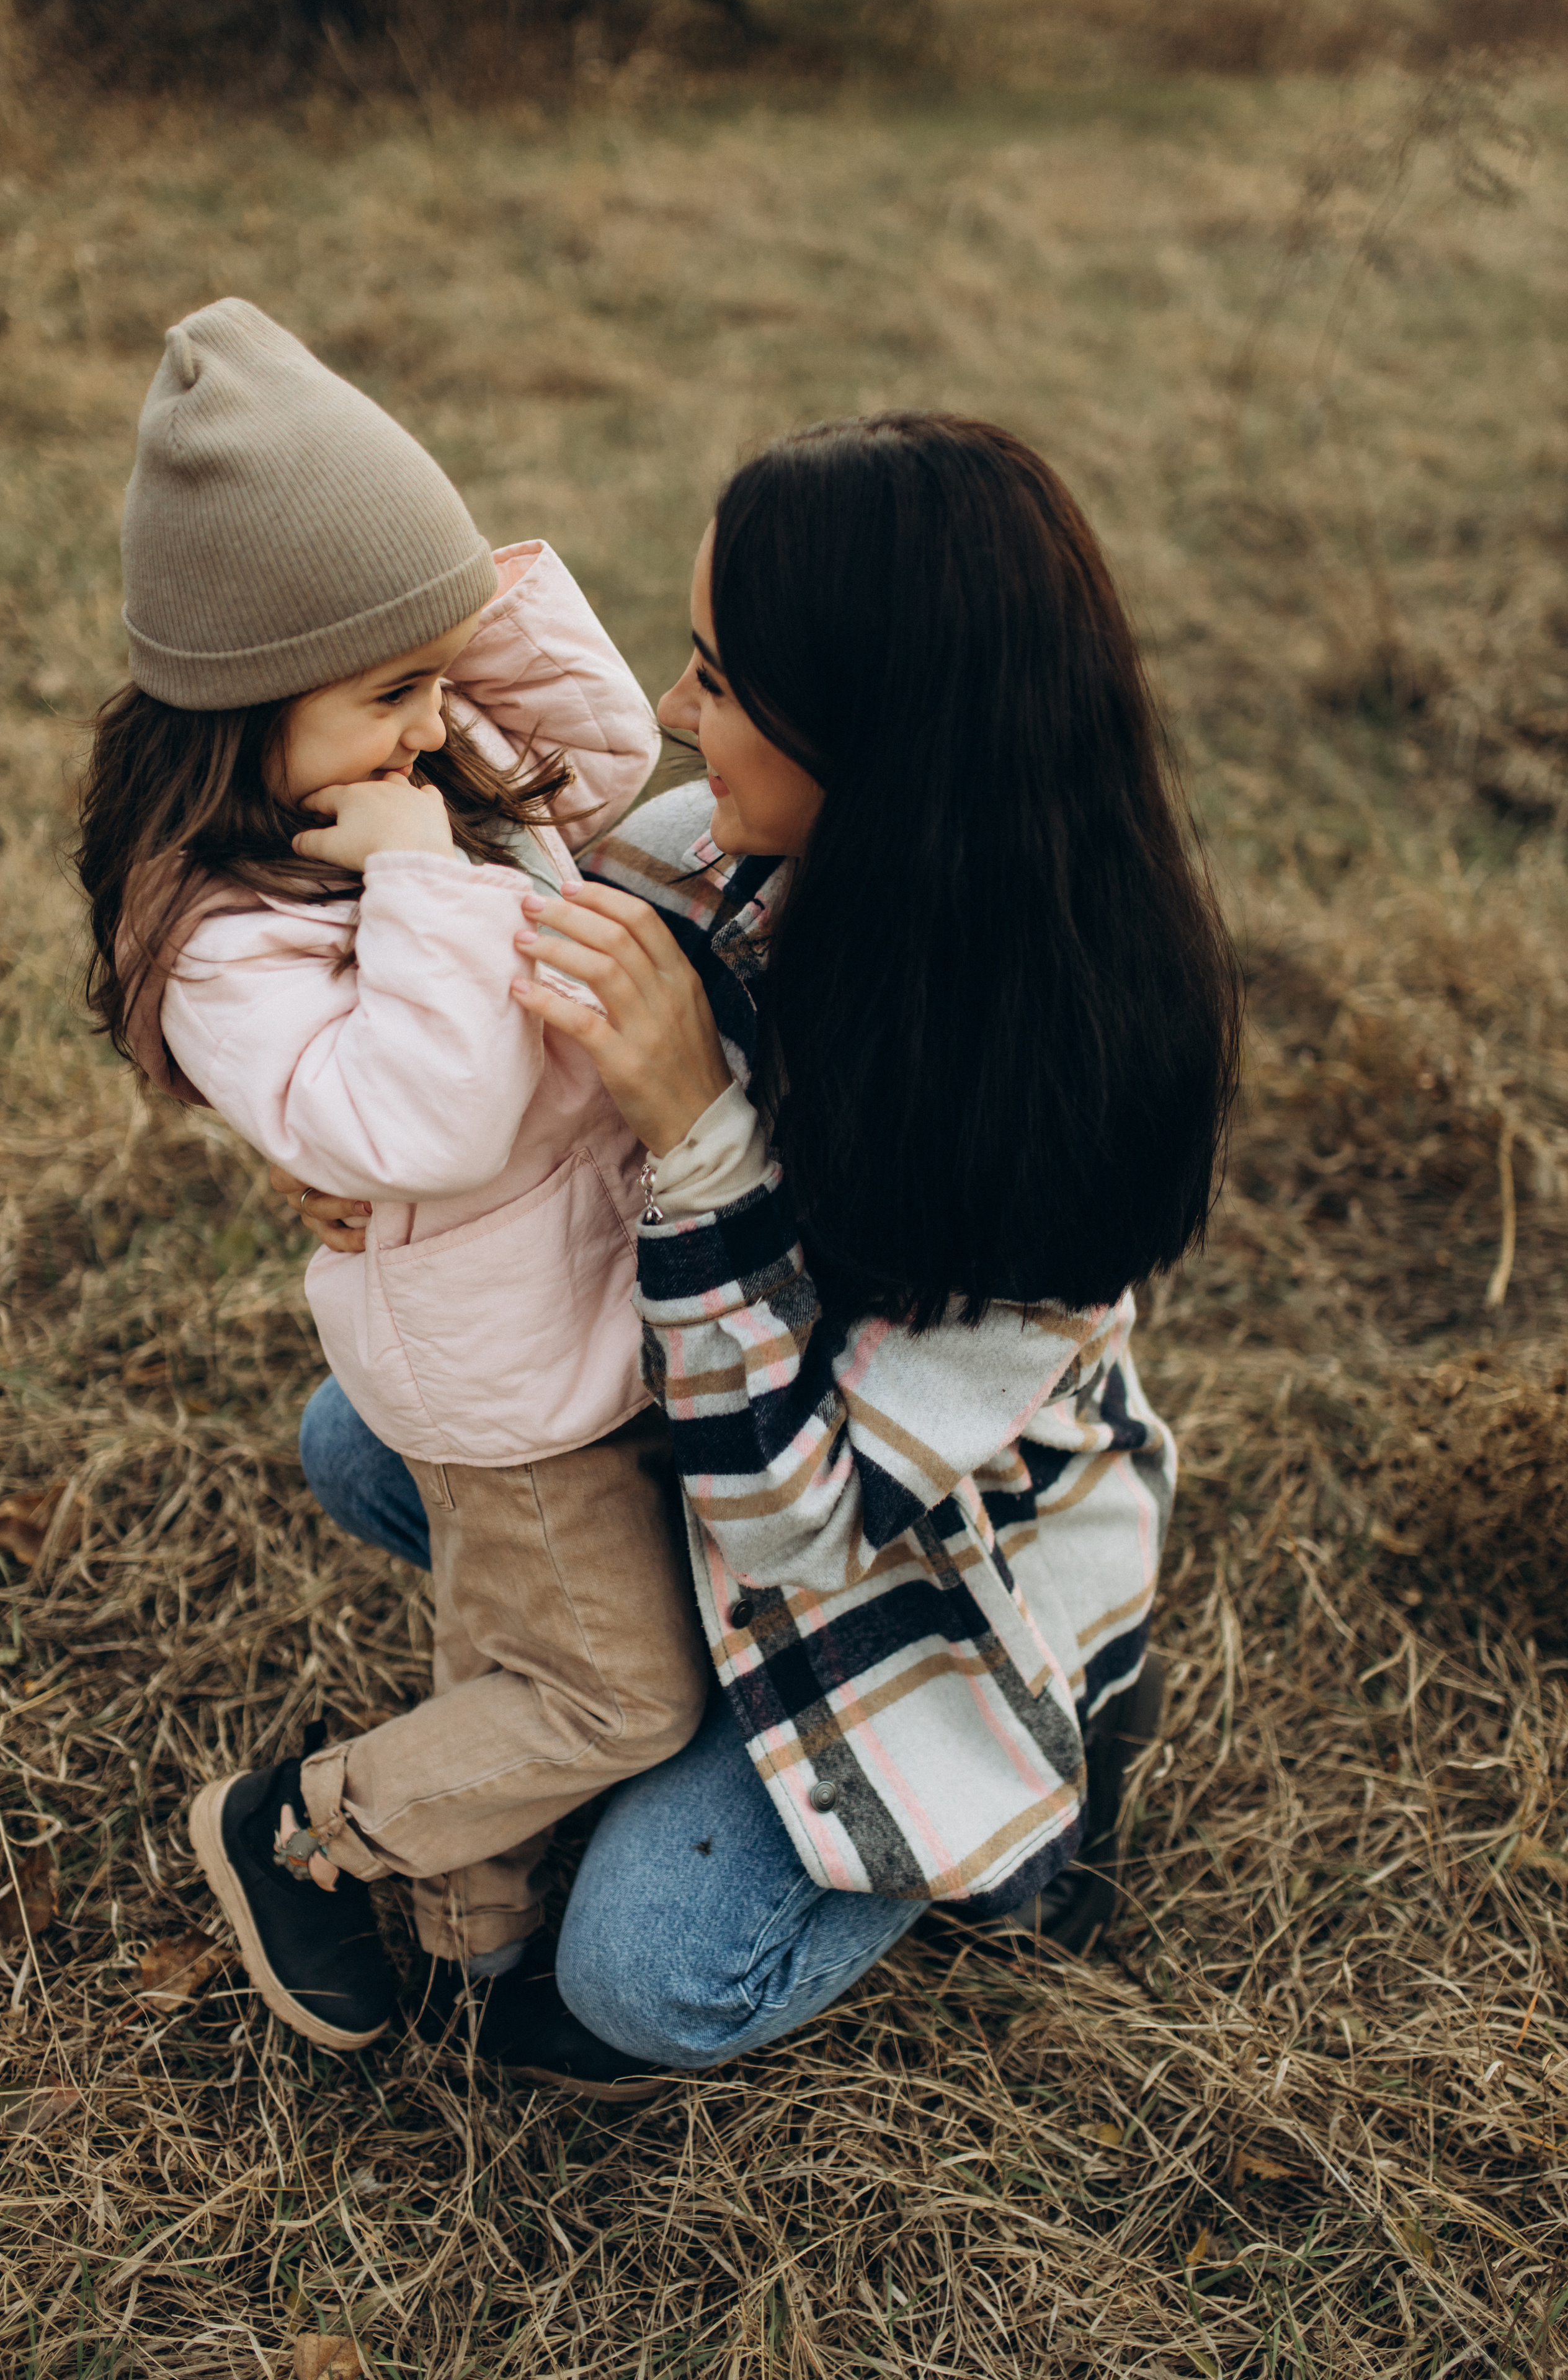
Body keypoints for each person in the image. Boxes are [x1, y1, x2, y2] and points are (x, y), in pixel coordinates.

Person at [286, 411, 1242, 2092]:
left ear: (875, 731)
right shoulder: (714, 864)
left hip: (919, 1561)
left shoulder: (1063, 1088)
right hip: (708, 1458)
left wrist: (699, 1134)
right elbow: (498, 1040)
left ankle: (1041, 1766)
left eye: (721, 680)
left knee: (644, 1974)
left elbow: (803, 1526)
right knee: (363, 1436)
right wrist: (390, 1169)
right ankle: (662, 1709)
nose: (673, 711)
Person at [76, 297, 710, 2074]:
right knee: (615, 1691)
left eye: (440, 679)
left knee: (518, 1650)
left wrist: (437, 612)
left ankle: (467, 1953)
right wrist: (428, 876)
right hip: (506, 1380)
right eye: (390, 694)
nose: (434, 728)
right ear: (241, 703)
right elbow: (427, 1127)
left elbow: (603, 757)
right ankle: (309, 1827)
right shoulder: (227, 939)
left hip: (581, 1312)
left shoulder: (412, 788)